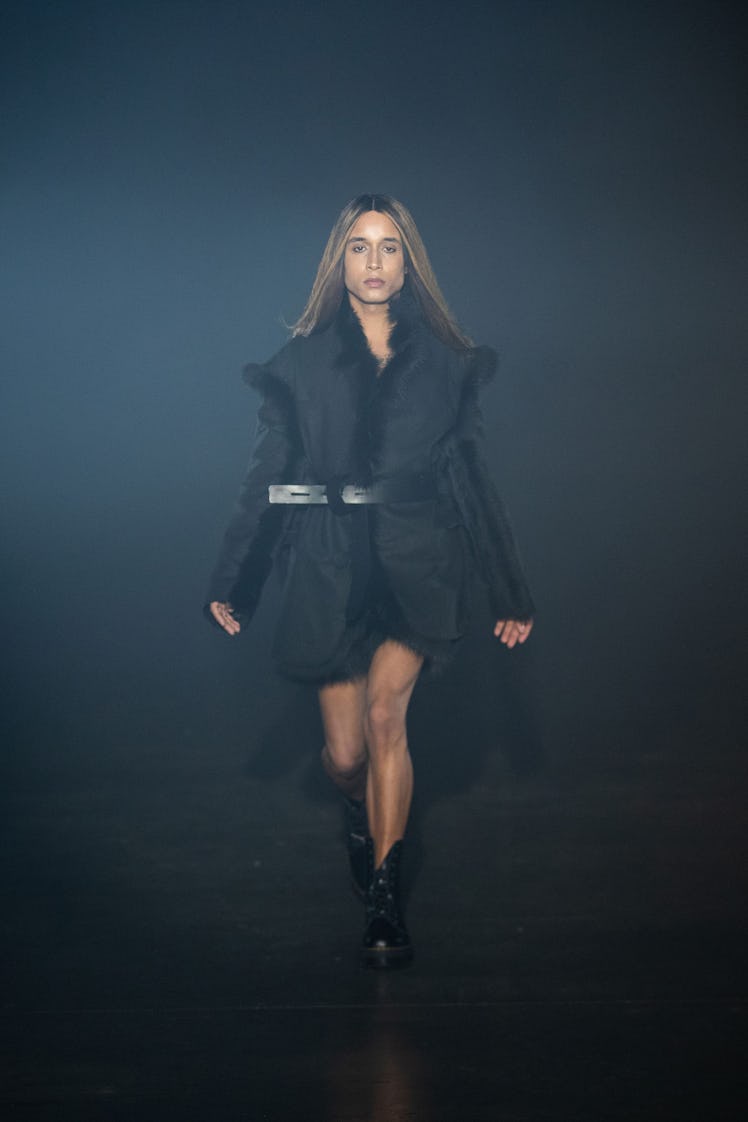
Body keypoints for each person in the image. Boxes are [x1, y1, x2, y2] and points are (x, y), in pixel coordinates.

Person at [206, 194, 534, 968]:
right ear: (339, 262)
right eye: (360, 247)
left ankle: (385, 898)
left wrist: (507, 589)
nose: (376, 262)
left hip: (419, 560)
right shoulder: (300, 363)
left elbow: (473, 481)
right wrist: (240, 580)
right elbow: (271, 477)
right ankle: (360, 811)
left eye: (390, 247)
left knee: (389, 716)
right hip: (327, 564)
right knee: (346, 756)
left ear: (409, 263)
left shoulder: (448, 368)